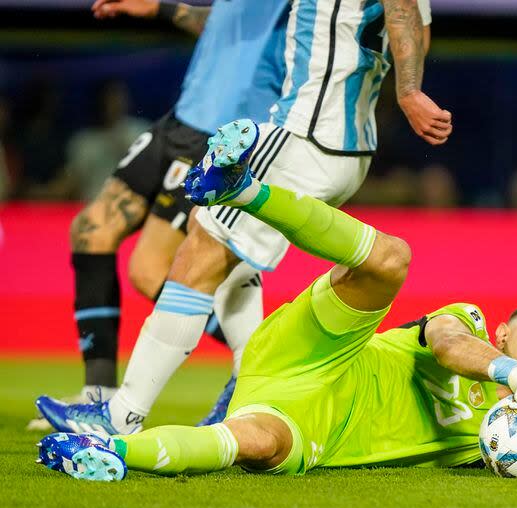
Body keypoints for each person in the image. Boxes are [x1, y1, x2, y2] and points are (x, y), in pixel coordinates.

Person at [36, 150, 517, 480]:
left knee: (254, 442)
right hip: (324, 353)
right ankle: (245, 189)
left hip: (319, 426)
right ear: (507, 330)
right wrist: (510, 370)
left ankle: (105, 453)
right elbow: (447, 343)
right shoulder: (469, 327)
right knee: (391, 259)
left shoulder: (510, 437)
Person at [36, 0, 449, 434]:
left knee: (198, 254)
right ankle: (241, 390)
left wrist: (407, 93)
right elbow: (416, 28)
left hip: (305, 136)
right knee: (223, 252)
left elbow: (401, 12)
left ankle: (121, 416)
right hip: (348, 145)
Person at [38, 0, 290, 429]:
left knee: (150, 269)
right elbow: (223, 25)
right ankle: (99, 391)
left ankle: (268, 362)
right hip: (180, 120)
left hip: (222, 134)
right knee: (91, 229)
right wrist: (158, 7)